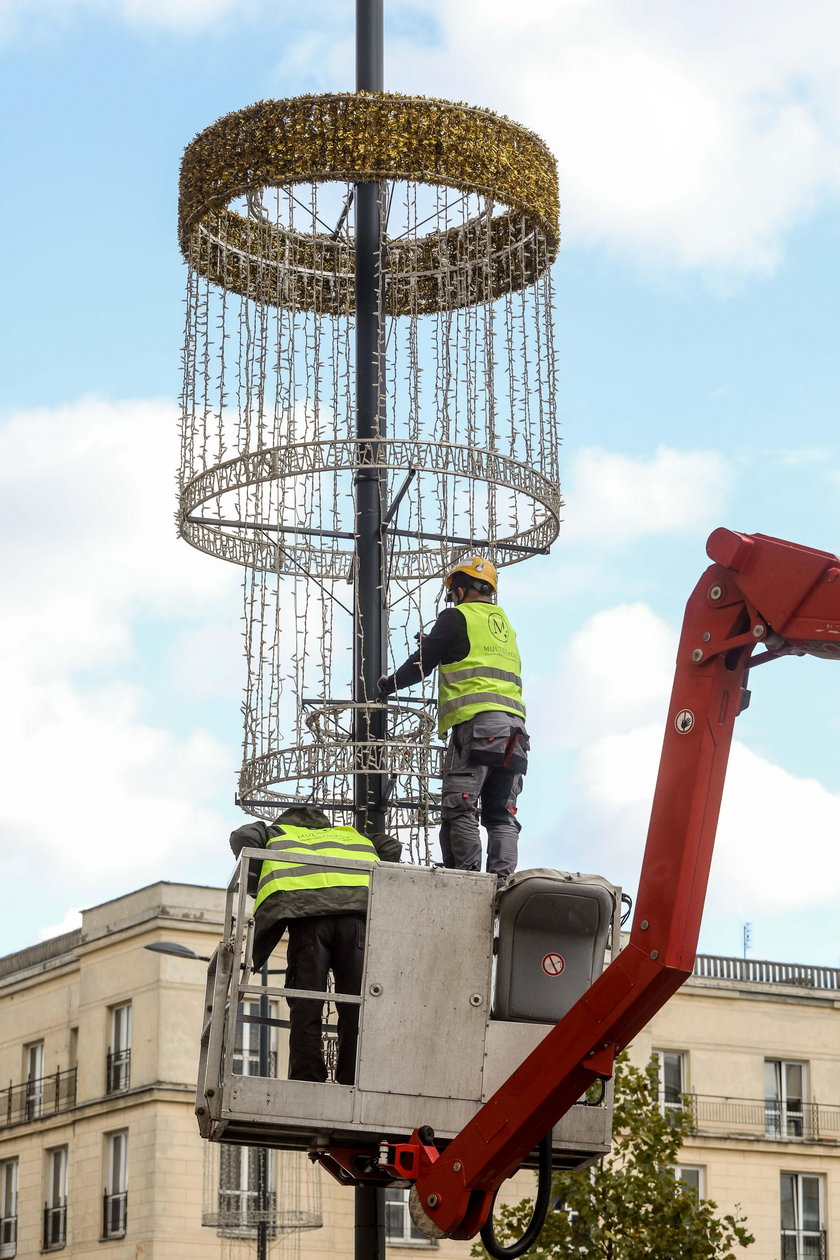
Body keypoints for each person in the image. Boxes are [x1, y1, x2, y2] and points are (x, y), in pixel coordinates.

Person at [378, 555, 529, 883]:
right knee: (501, 814)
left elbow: (421, 664)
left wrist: (388, 685)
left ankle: (468, 883)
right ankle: (502, 884)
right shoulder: (505, 627)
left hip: (478, 727)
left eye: (453, 592)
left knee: (460, 806)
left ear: (460, 590)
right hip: (515, 732)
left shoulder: (455, 617)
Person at [229, 805, 401, 1086]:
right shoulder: (348, 835)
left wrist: (259, 875)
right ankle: (352, 1079)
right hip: (355, 919)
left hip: (308, 917)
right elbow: (390, 847)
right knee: (357, 1005)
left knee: (306, 1002)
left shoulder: (275, 832)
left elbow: (242, 838)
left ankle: (307, 1078)